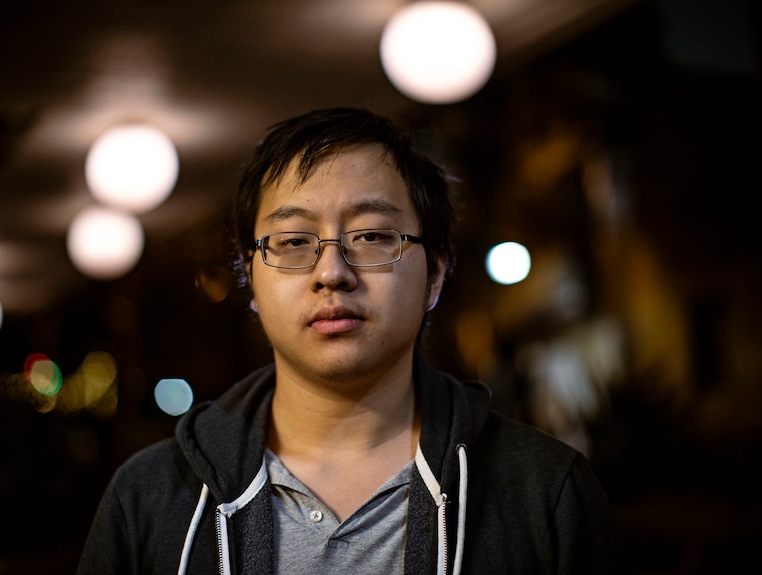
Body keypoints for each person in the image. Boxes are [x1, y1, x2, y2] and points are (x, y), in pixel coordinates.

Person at [77, 107, 628, 574]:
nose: (332, 272)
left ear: (434, 275)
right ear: (251, 279)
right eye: (294, 241)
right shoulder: (150, 499)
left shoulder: (543, 493)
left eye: (371, 236)